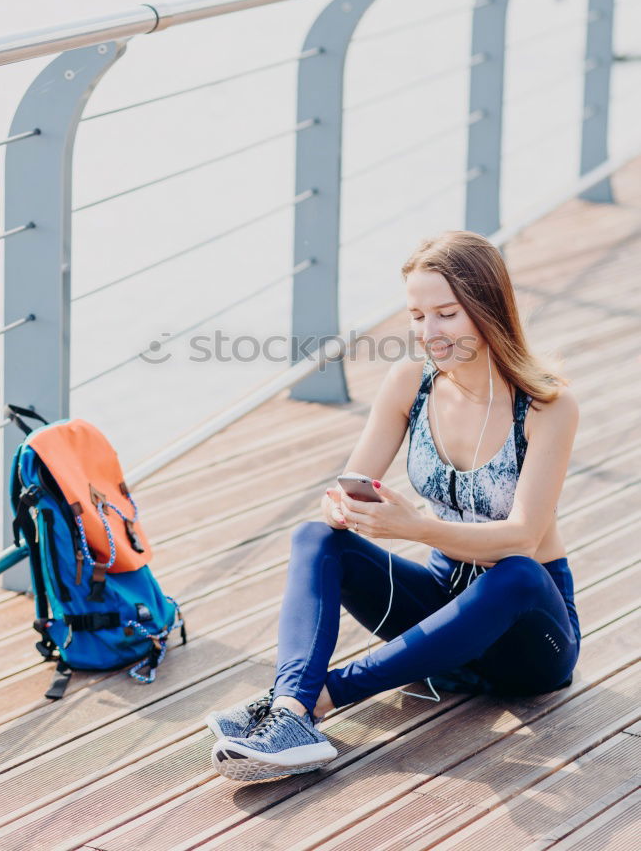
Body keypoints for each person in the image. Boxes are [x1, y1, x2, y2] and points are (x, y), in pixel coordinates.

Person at [206, 229, 582, 783]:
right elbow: (355, 483)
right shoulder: (410, 384)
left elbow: (523, 536)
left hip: (526, 641)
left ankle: (323, 699)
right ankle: (289, 710)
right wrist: (343, 508)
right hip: (441, 612)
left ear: (487, 307)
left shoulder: (548, 404)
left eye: (446, 314)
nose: (429, 332)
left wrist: (417, 527)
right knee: (315, 537)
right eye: (417, 316)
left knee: (519, 575)